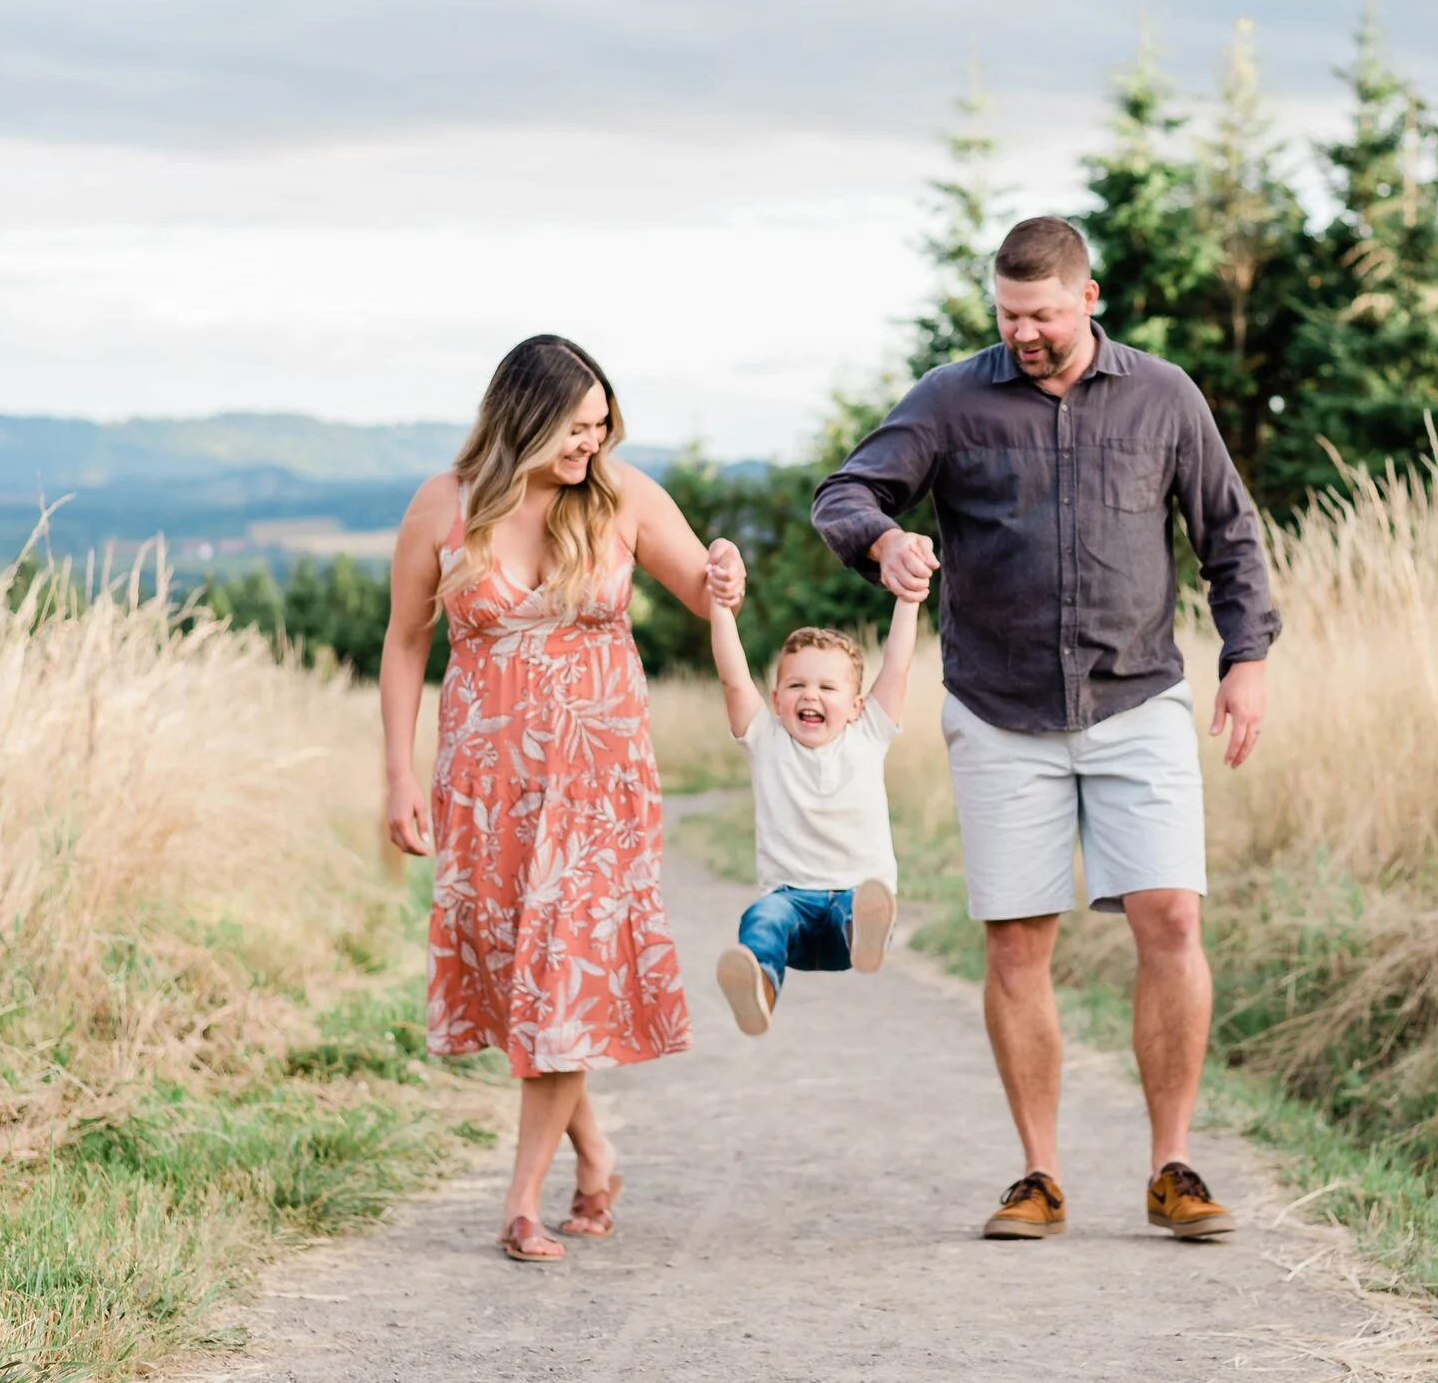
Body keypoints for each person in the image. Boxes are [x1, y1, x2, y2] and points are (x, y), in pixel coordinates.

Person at [811, 216, 1279, 1243]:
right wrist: (882, 539)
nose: (1022, 332)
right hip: (998, 706)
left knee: (1170, 918)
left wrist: (1243, 659)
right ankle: (1038, 1175)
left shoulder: (1164, 397)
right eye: (1006, 314)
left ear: (1088, 297)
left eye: (1042, 315)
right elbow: (844, 492)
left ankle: (1172, 1166)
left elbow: (1228, 535)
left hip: (1136, 697)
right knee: (1019, 941)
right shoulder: (951, 397)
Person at [381, 334, 743, 1263]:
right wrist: (396, 771)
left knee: (560, 970)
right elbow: (404, 643)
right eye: (576, 428)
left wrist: (726, 573)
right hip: (487, 784)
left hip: (599, 782)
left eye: (602, 424)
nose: (593, 442)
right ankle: (596, 1157)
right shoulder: (444, 504)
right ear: (524, 418)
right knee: (522, 981)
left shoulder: (621, 495)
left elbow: (705, 593)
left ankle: (521, 1201)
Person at [703, 583, 920, 1036]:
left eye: (827, 687)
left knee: (857, 907)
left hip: (853, 899)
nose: (809, 696)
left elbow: (897, 665)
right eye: (796, 685)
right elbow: (733, 677)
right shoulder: (766, 740)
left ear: (857, 705)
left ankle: (865, 936)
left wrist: (909, 598)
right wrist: (720, 610)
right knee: (762, 919)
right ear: (777, 699)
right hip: (790, 904)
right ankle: (759, 988)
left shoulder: (869, 734)